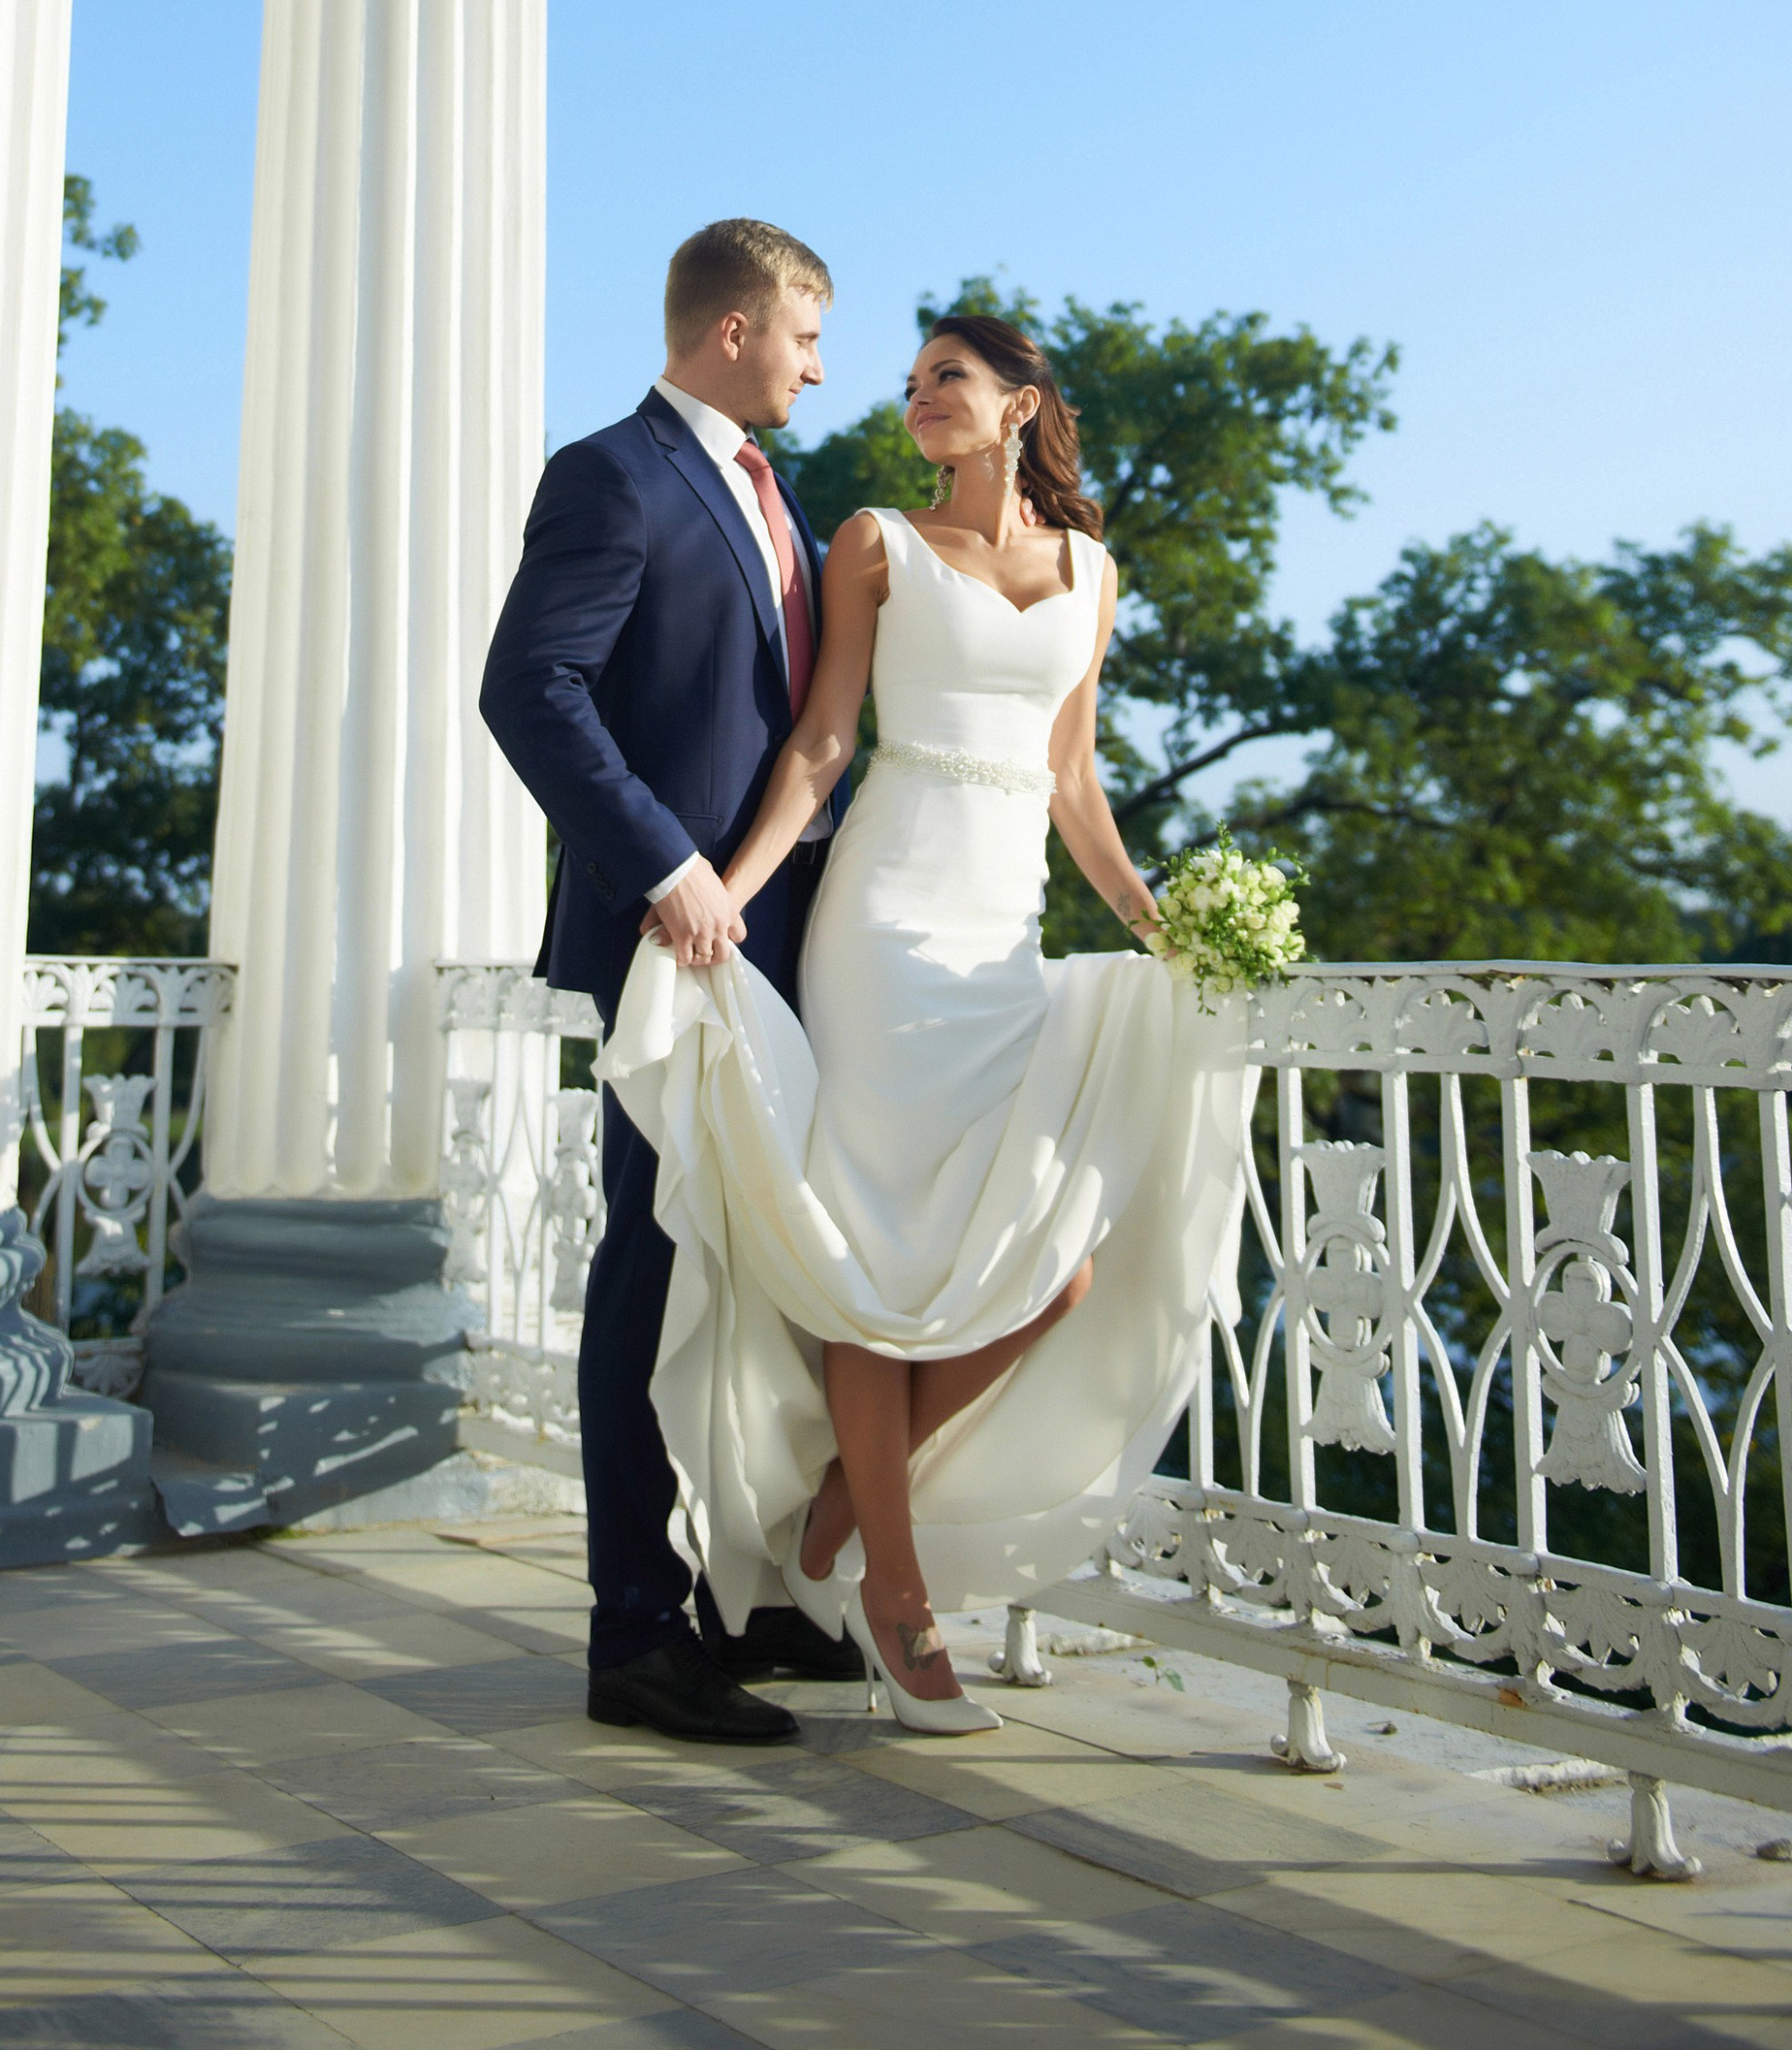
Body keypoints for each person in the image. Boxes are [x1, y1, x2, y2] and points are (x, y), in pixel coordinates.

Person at [600, 309, 1256, 1733]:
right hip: (884, 928)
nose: (915, 401)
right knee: (879, 1261)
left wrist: (1162, 926)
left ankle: (846, 1501)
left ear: (1021, 403)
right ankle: (898, 1606)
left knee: (1050, 1269)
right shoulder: (876, 543)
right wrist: (723, 897)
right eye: (907, 386)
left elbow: (1074, 779)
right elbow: (824, 742)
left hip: (1001, 941)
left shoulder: (1092, 570)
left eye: (945, 378)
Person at [479, 217, 863, 1745]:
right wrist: (663, 865)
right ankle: (635, 1633)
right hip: (672, 945)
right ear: (735, 330)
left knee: (763, 1272)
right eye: (807, 338)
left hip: (788, 944)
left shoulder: (781, 494)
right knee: (652, 1270)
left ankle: (751, 1599)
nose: (819, 370)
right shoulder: (612, 475)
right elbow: (531, 687)